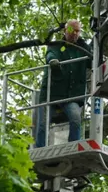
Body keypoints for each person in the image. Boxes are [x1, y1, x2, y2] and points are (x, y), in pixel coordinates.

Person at [34, 19, 92, 148]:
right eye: (72, 30)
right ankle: (40, 148)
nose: (75, 33)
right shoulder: (56, 45)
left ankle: (74, 147)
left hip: (71, 96)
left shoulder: (82, 49)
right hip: (51, 94)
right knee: (43, 124)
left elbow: (93, 61)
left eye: (78, 31)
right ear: (65, 30)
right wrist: (53, 61)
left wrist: (84, 43)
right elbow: (50, 54)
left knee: (76, 119)